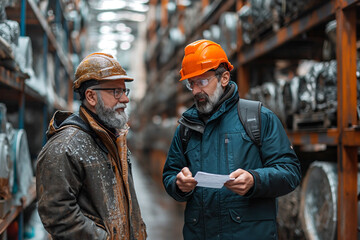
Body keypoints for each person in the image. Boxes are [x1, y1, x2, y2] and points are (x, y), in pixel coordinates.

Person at [162, 39, 301, 240]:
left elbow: (290, 172)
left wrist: (255, 180)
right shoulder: (186, 127)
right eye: (191, 83)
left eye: (202, 81)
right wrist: (178, 184)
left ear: (224, 78)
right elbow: (170, 174)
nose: (195, 91)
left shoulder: (258, 117)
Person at [36, 53, 147, 240]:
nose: (125, 100)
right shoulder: (65, 147)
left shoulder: (113, 138)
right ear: (91, 96)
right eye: (116, 92)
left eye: (124, 91)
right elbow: (57, 214)